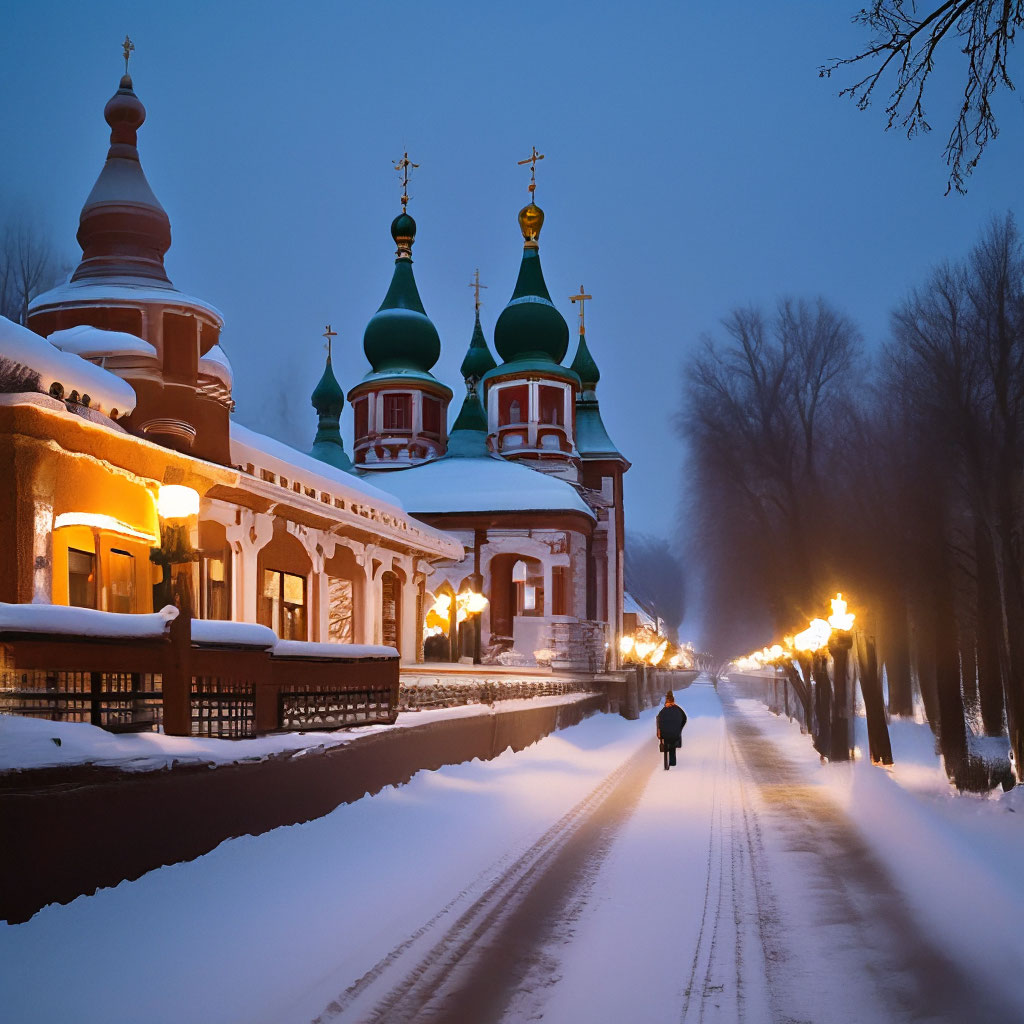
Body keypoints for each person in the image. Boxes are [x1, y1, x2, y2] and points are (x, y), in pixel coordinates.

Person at [656, 691, 687, 770]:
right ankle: (672, 763)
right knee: (673, 745)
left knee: (666, 741)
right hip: (675, 733)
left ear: (666, 701)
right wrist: (679, 728)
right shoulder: (678, 710)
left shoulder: (663, 711)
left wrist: (660, 732)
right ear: (673, 701)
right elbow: (684, 719)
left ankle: (666, 763)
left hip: (664, 734)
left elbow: (659, 721)